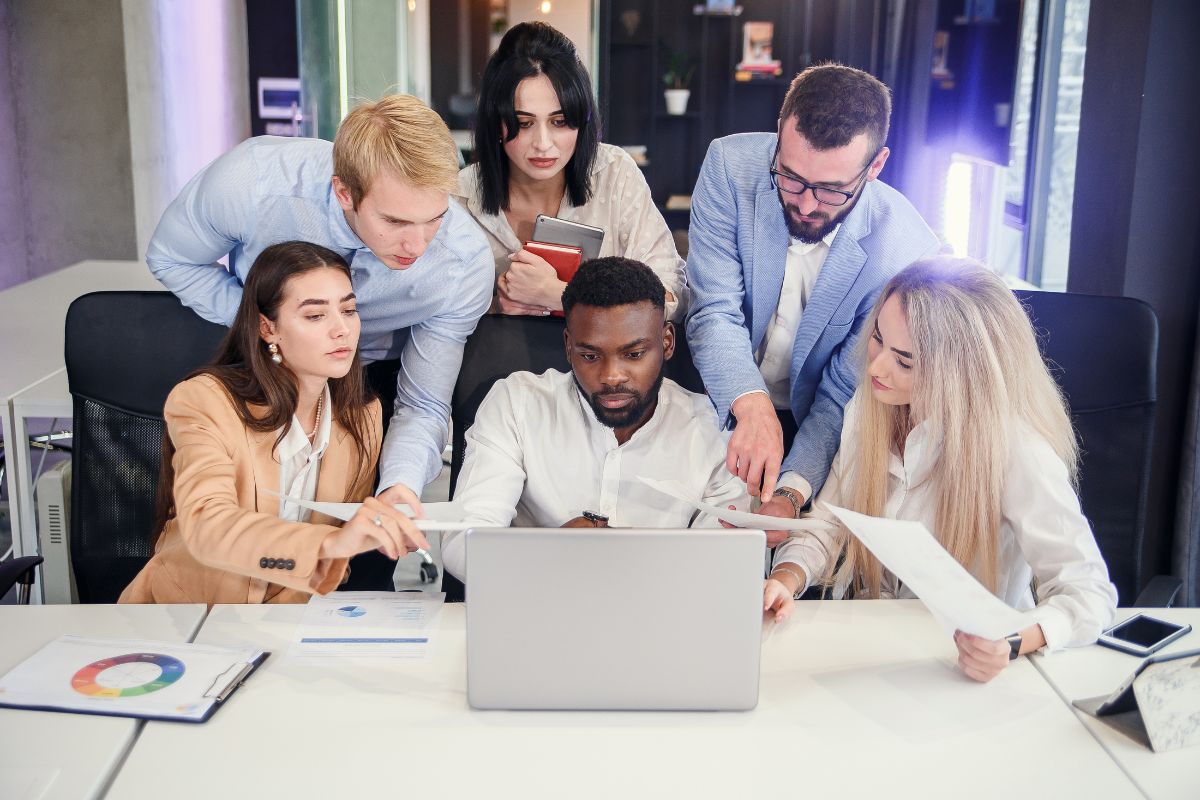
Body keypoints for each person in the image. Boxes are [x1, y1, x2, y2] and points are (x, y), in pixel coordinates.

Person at [762, 258, 1118, 680]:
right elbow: (829, 523)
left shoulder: (1016, 449)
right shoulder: (871, 407)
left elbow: (1089, 591)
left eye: (905, 361)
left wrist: (1012, 642)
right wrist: (786, 578)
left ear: (959, 372)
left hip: (973, 671)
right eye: (877, 338)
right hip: (880, 656)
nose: (875, 367)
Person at [146, 94, 493, 516]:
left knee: (358, 561)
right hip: (258, 364)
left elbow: (423, 403)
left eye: (435, 218)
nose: (417, 245)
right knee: (239, 534)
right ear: (344, 192)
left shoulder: (463, 262)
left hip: (370, 382)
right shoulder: (253, 183)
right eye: (395, 221)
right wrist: (275, 328)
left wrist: (400, 488)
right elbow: (173, 257)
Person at [442, 258, 787, 621]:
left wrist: (624, 560)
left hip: (664, 629)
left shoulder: (713, 428)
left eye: (634, 354)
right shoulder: (517, 404)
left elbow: (726, 567)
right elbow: (461, 545)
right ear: (568, 346)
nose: (611, 376)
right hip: (535, 621)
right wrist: (548, 554)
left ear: (667, 343)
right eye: (590, 355)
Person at [685, 63, 941, 538]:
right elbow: (713, 311)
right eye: (791, 178)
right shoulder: (728, 166)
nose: (805, 204)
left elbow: (844, 390)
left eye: (831, 190)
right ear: (780, 135)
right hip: (718, 392)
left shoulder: (903, 248)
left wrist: (790, 494)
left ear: (876, 166)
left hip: (824, 424)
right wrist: (752, 404)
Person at [121, 242, 429, 605]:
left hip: (287, 629)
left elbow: (334, 562)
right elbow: (207, 526)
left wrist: (369, 534)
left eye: (348, 310)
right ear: (268, 328)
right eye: (315, 316)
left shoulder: (362, 416)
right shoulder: (205, 400)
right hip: (190, 620)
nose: (341, 329)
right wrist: (329, 545)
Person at [456, 21, 686, 320]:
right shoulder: (460, 195)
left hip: (599, 365)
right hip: (496, 364)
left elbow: (671, 297)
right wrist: (496, 305)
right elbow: (432, 311)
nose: (543, 144)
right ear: (495, 123)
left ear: (582, 119)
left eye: (560, 122)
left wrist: (560, 295)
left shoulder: (614, 174)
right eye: (523, 124)